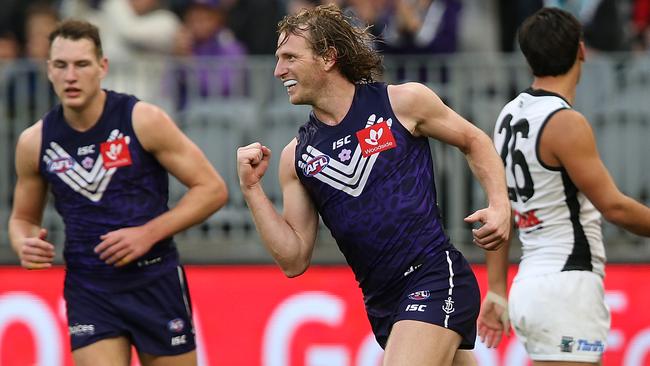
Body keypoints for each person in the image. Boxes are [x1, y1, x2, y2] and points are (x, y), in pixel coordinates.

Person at [236, 4, 510, 365]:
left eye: (290, 57)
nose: (278, 70)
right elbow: (293, 259)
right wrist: (252, 190)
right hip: (383, 305)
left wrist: (500, 204)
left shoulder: (402, 102)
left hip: (433, 277)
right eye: (277, 58)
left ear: (328, 57)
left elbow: (474, 141)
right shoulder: (297, 157)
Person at [8, 20, 228, 366]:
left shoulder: (142, 120)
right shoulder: (35, 142)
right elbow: (22, 219)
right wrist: (23, 243)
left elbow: (212, 189)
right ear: (48, 70)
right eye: (61, 65)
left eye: (81, 64)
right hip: (89, 287)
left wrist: (147, 234)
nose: (71, 76)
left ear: (102, 67)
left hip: (154, 279)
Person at [478, 7, 650, 365]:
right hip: (567, 286)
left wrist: (496, 289)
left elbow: (500, 209)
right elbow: (614, 207)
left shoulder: (508, 115)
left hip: (530, 281)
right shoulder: (564, 122)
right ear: (581, 51)